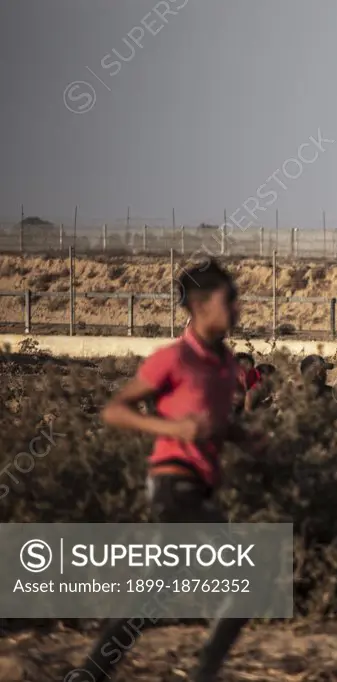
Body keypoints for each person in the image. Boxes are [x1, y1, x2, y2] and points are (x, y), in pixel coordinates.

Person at [71, 259, 263, 682]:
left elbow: (215, 421)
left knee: (151, 600)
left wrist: (241, 437)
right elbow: (116, 410)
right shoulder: (173, 359)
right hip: (174, 483)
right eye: (229, 302)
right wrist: (171, 428)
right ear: (199, 305)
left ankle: (91, 673)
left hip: (200, 487)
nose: (237, 310)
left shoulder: (228, 363)